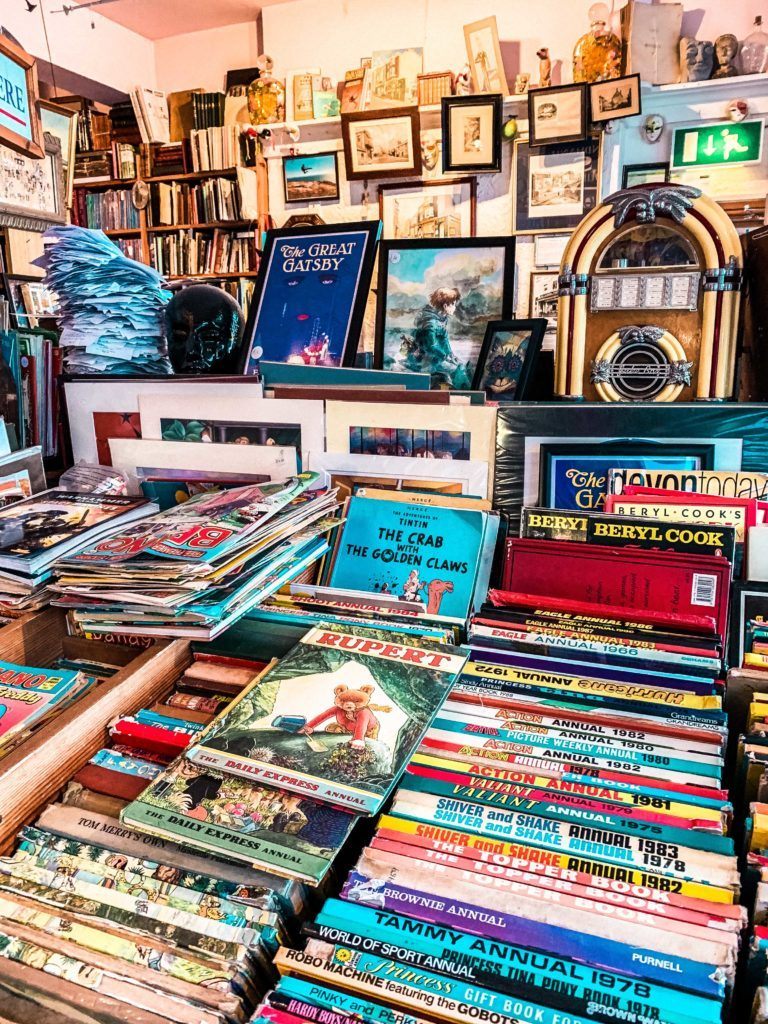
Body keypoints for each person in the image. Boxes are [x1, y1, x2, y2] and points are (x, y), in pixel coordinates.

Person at [407, 287, 471, 389]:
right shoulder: (431, 323)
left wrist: (451, 354)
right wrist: (445, 356)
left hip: (437, 355)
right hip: (426, 359)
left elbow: (444, 339)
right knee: (457, 369)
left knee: (461, 364)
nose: (455, 307)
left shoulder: (442, 319)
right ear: (445, 306)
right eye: (453, 304)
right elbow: (431, 346)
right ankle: (466, 394)